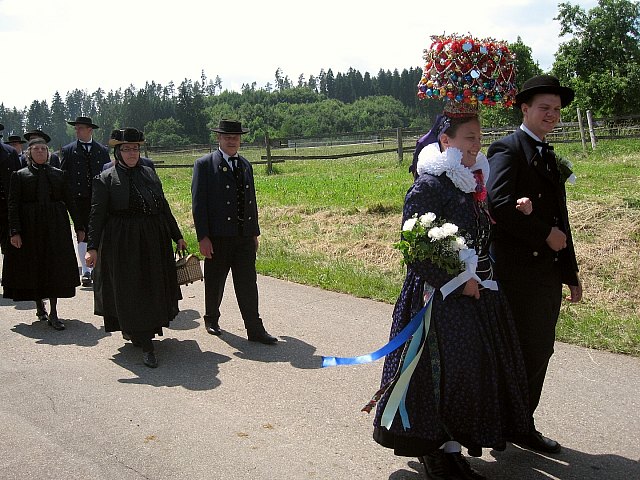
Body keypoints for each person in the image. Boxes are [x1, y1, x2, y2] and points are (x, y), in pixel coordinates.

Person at [486, 74, 582, 454]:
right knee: (514, 351)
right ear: (524, 109)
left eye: (557, 109)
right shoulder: (507, 150)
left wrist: (570, 272)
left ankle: (519, 423)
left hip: (545, 274)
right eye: (544, 108)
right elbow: (497, 205)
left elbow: (562, 219)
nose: (552, 115)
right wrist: (543, 233)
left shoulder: (547, 154)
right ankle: (503, 424)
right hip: (515, 272)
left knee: (539, 350)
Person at [85, 128, 186, 368]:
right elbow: (96, 216)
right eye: (126, 149)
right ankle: (146, 343)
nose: (132, 153)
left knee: (152, 286)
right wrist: (92, 248)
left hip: (153, 240)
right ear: (117, 152)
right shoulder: (105, 179)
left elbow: (163, 207)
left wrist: (177, 235)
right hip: (123, 244)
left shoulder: (149, 173)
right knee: (132, 290)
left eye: (135, 148)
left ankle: (144, 330)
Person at [191, 119, 277, 345]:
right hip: (218, 238)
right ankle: (211, 318)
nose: (232, 141)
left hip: (244, 237)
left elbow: (252, 202)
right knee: (215, 281)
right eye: (228, 137)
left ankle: (254, 328)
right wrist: (203, 237)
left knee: (248, 283)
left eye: (236, 137)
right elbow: (199, 205)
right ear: (218, 138)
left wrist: (254, 233)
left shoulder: (246, 165)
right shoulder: (204, 165)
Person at [1, 138, 84, 329]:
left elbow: (70, 201)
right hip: (30, 228)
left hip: (55, 227)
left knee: (54, 267)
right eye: (36, 149)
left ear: (48, 153)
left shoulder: (58, 174)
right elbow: (13, 206)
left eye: (43, 149)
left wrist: (80, 227)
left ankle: (54, 312)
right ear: (29, 153)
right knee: (35, 266)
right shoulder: (19, 175)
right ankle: (39, 304)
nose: (40, 152)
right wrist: (15, 231)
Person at [60, 116, 110, 287]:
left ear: (90, 130)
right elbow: (63, 175)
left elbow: (108, 174)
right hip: (78, 199)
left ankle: (98, 267)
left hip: (98, 197)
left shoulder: (102, 151)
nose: (77, 131)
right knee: (82, 233)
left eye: (80, 128)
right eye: (76, 128)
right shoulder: (68, 150)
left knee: (99, 231)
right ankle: (86, 272)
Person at [0, 124, 22, 257]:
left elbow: (19, 180)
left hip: (6, 208)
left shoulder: (10, 153)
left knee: (9, 248)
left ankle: (8, 277)